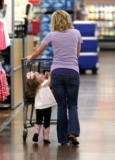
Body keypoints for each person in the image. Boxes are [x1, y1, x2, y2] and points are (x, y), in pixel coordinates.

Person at [26, 10, 82, 146]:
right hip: (72, 72)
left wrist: (30, 58)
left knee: (62, 106)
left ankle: (63, 139)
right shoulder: (76, 33)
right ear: (68, 19)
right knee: (72, 105)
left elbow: (39, 51)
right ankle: (72, 133)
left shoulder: (51, 35)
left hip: (56, 73)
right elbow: (77, 54)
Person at [26, 71, 57, 144]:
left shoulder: (35, 87)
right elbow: (49, 81)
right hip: (47, 106)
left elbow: (43, 80)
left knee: (38, 121)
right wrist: (49, 76)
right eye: (39, 75)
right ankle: (46, 137)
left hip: (38, 107)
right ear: (37, 80)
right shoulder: (44, 84)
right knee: (47, 121)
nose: (41, 75)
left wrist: (45, 76)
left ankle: (36, 133)